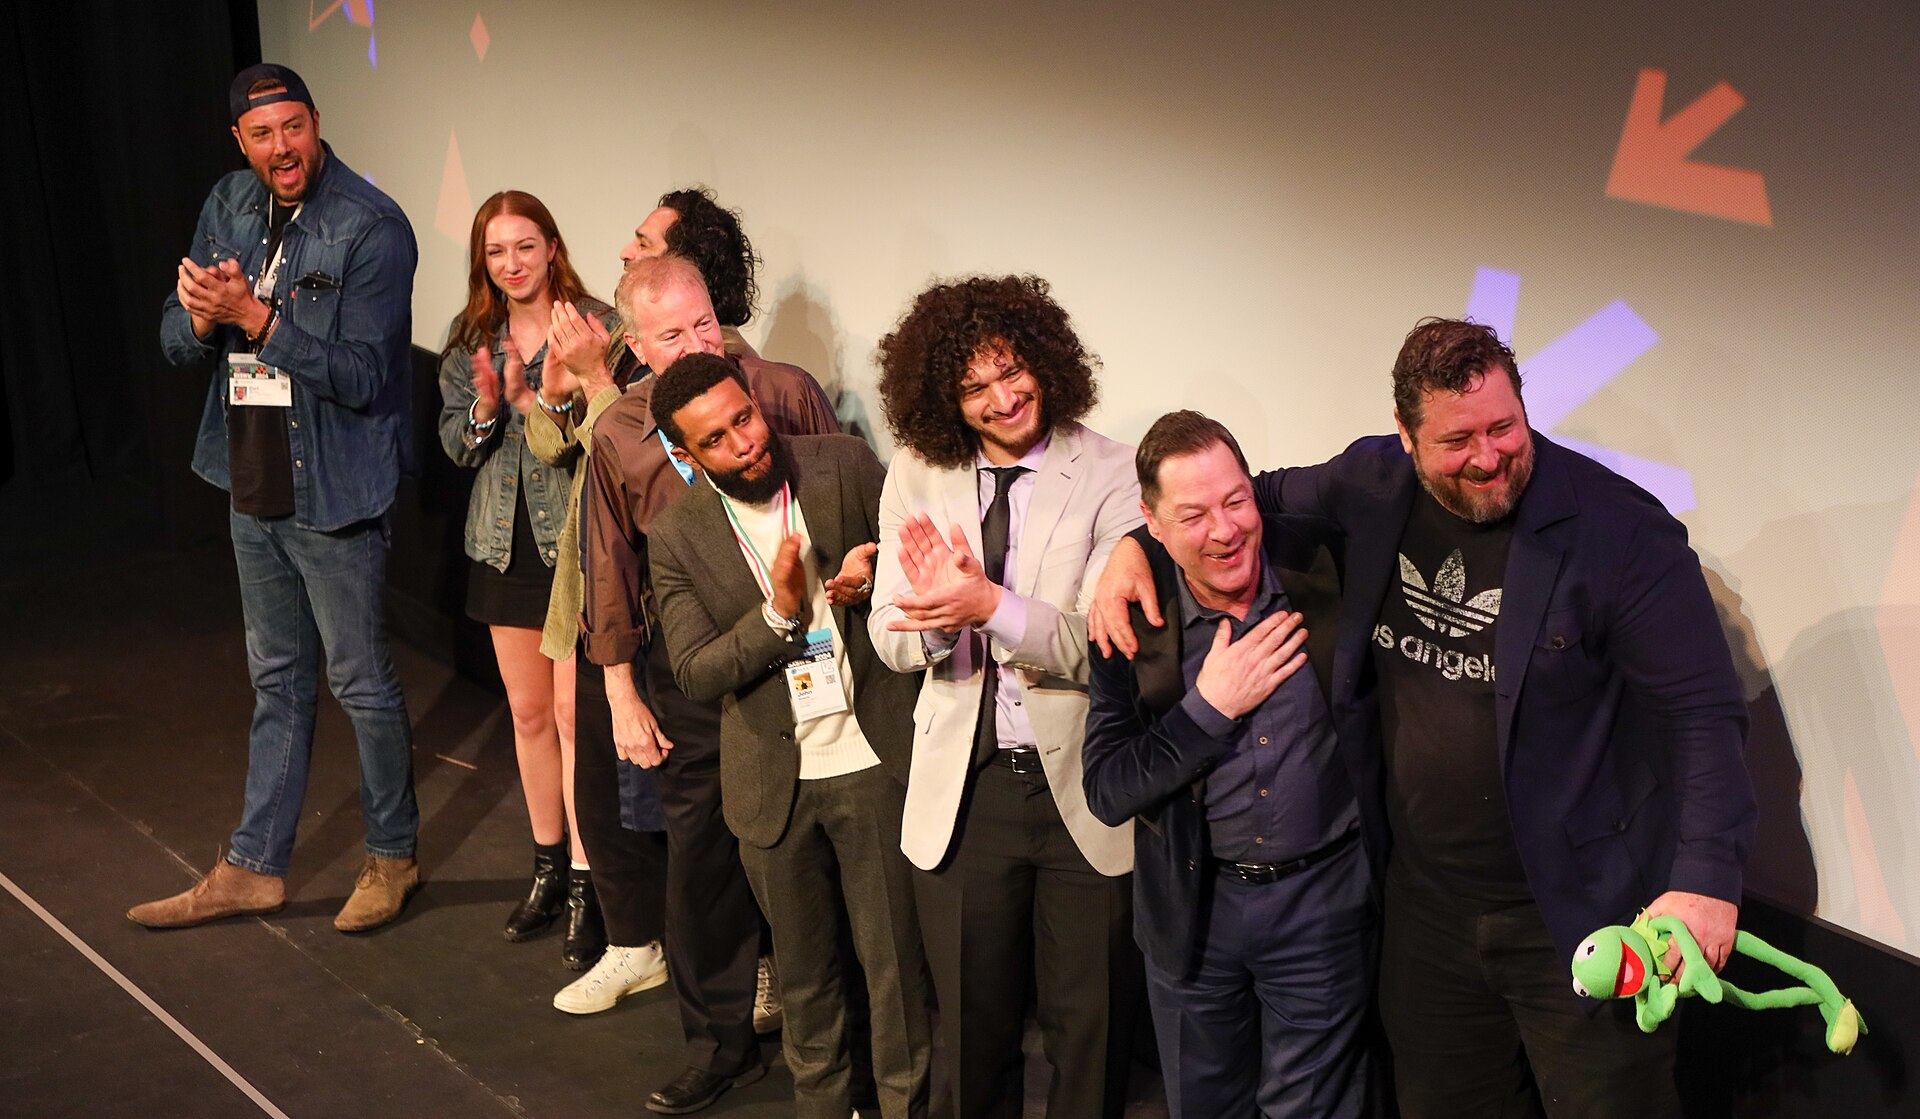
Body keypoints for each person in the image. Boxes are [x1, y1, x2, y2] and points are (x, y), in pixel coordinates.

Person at [1091, 319, 1755, 1118]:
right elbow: (1240, 501)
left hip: (1577, 909)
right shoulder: (1367, 484)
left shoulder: (1620, 531)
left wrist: (1708, 879)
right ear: (1403, 437)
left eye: (1504, 426)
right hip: (1426, 914)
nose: (1488, 456)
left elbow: (1702, 713)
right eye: (1457, 439)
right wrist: (1133, 548)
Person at [133, 63, 420, 934]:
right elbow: (175, 342)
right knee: (277, 679)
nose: (280, 148)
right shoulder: (228, 201)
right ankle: (254, 867)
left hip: (334, 488)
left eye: (292, 128)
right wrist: (197, 317)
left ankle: (393, 854)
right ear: (240, 142)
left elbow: (367, 377)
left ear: (316, 123)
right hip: (249, 478)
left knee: (360, 681)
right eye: (262, 135)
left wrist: (258, 321)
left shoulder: (371, 226)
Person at [867, 275, 1144, 1119]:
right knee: (973, 1036)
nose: (1002, 398)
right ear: (945, 397)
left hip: (1084, 798)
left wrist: (987, 605)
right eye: (974, 386)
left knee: (1089, 1038)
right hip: (969, 790)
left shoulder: (1111, 472)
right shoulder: (918, 470)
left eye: (1012, 371)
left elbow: (1103, 653)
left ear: (1047, 361)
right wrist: (937, 620)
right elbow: (887, 632)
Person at [582, 254, 841, 1114]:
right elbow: (609, 569)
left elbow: (845, 496)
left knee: (822, 849)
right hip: (695, 670)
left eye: (704, 322)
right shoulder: (619, 432)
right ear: (635, 344)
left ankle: (851, 1044)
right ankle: (720, 1044)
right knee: (701, 864)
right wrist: (621, 691)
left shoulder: (783, 390)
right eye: (672, 334)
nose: (699, 342)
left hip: (811, 648)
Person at [648, 354, 932, 1118]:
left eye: (744, 417)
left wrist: (878, 580)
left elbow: (920, 562)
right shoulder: (676, 534)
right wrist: (779, 613)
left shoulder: (839, 464)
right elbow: (697, 670)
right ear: (688, 453)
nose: (744, 441)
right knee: (807, 986)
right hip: (774, 782)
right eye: (717, 438)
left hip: (875, 759)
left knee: (897, 976)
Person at [1081, 411, 1384, 1118]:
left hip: (1324, 906)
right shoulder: (1131, 619)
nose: (1224, 529)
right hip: (1194, 916)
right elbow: (1106, 788)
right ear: (1152, 526)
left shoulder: (1327, 569)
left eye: (1235, 500)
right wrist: (1206, 712)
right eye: (1193, 514)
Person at [532, 185, 782, 1019]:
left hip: (763, 648)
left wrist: (598, 377)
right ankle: (646, 954)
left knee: (751, 833)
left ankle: (763, 972)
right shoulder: (626, 395)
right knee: (641, 804)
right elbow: (575, 471)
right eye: (671, 332)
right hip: (648, 643)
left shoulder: (767, 391)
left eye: (645, 244)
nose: (626, 255)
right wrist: (570, 387)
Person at [436, 190, 619, 966]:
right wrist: (483, 408)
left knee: (579, 721)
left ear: (551, 247)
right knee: (530, 716)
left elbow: (614, 439)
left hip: (573, 547)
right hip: (501, 546)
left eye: (524, 247)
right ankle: (545, 866)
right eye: (495, 252)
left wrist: (559, 394)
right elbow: (456, 447)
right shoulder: (472, 336)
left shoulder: (595, 327)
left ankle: (589, 881)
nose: (511, 264)